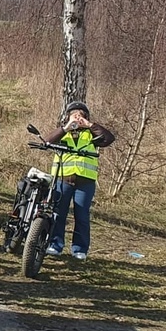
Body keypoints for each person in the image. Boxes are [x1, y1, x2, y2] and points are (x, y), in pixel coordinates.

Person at [42, 102, 116, 260]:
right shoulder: (63, 133)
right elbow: (46, 142)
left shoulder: (91, 134)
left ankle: (80, 249)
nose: (77, 119)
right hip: (63, 179)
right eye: (74, 116)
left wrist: (89, 125)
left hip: (85, 182)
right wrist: (66, 127)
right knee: (58, 214)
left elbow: (109, 138)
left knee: (81, 216)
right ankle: (55, 244)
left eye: (81, 116)